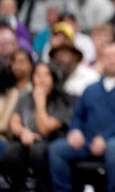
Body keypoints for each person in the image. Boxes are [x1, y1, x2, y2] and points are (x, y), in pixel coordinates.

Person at [48, 42, 115, 192]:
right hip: (88, 140)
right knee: (56, 150)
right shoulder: (91, 89)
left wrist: (105, 138)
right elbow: (77, 116)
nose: (111, 60)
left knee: (114, 149)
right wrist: (75, 131)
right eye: (107, 56)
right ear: (101, 60)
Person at [2, 63, 71, 192]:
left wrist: (40, 102)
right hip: (27, 140)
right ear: (32, 78)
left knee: (37, 151)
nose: (41, 79)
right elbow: (14, 122)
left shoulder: (62, 100)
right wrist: (23, 132)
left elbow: (45, 128)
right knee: (10, 151)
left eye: (46, 75)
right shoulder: (25, 98)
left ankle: (44, 187)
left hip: (51, 142)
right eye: (37, 75)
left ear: (53, 78)